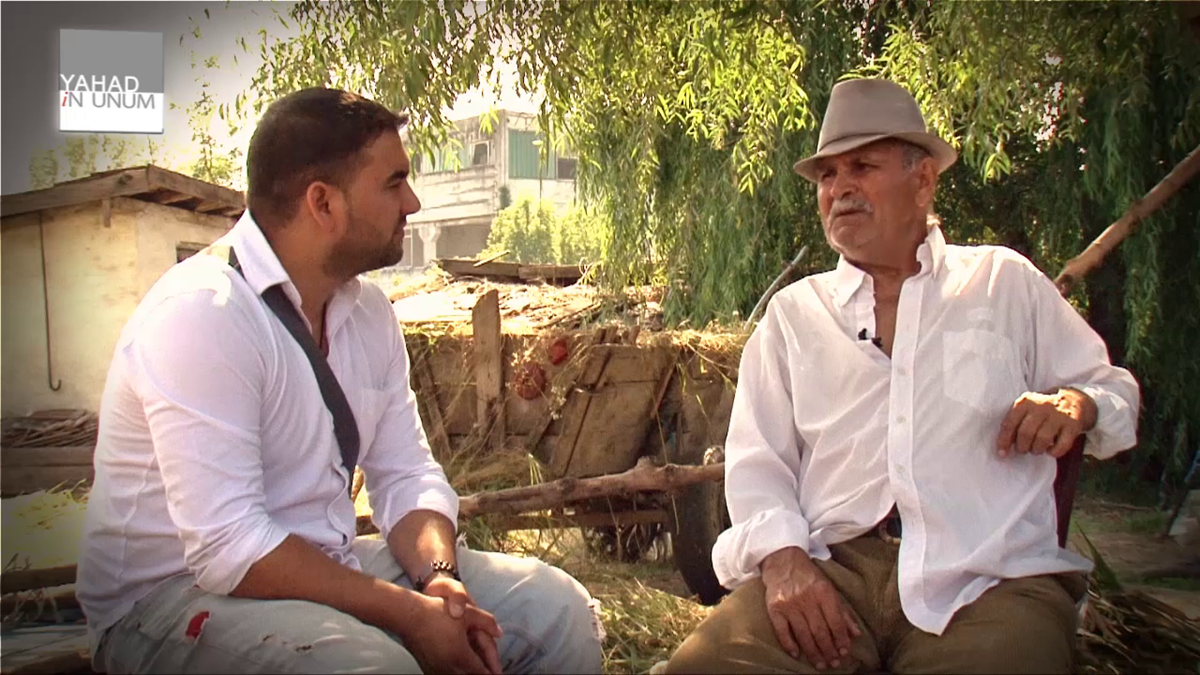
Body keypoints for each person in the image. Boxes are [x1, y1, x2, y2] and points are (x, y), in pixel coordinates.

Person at [77, 87, 604, 675]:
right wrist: (409, 615)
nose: (412, 202)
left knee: (559, 612)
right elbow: (228, 548)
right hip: (168, 601)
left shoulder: (368, 312)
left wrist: (439, 580)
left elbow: (405, 474)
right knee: (374, 668)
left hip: (328, 564)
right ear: (323, 204)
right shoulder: (204, 313)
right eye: (393, 183)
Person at [666, 78, 1140, 674]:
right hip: (832, 571)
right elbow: (759, 464)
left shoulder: (1003, 282)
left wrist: (1076, 403)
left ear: (923, 180)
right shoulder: (794, 316)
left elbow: (1113, 391)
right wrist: (784, 561)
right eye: (827, 175)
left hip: (989, 577)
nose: (839, 189)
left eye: (862, 167)